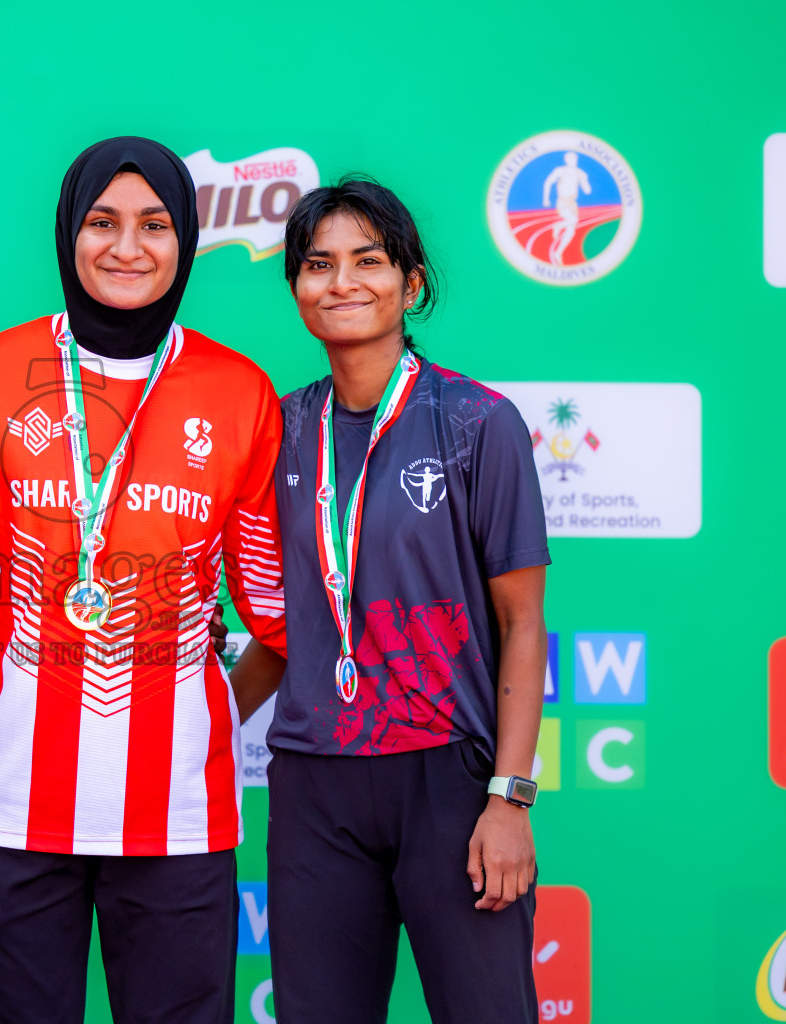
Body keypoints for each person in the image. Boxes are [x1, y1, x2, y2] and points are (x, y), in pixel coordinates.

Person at [0, 136, 286, 1024]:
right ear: (69, 232)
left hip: (178, 818)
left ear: (186, 241)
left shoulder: (240, 390)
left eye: (155, 225)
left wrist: (194, 703)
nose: (127, 248)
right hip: (6, 807)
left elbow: (279, 619)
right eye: (103, 222)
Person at [231, 177, 550, 1024]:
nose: (343, 283)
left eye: (368, 262)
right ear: (295, 287)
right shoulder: (278, 429)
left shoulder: (480, 423)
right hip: (312, 781)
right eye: (318, 265)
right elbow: (283, 624)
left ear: (411, 284)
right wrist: (196, 725)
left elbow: (522, 625)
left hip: (447, 774)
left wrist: (509, 798)